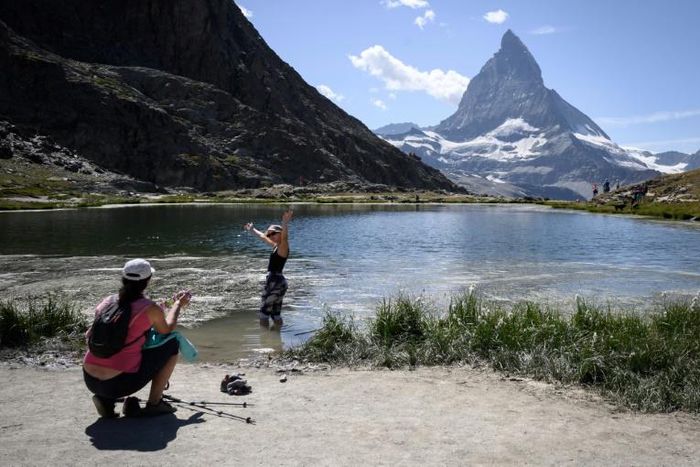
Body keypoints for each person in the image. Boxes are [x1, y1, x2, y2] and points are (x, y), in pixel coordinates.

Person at [83, 258, 191, 418]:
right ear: (147, 281)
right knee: (172, 343)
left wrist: (166, 304)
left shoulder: (108, 301)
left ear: (123, 278)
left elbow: (89, 333)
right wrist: (177, 305)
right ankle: (154, 403)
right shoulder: (149, 308)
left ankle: (106, 401)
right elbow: (166, 329)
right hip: (120, 383)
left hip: (90, 379)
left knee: (124, 351)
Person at [244, 210, 293, 329]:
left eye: (273, 234)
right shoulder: (276, 246)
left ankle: (265, 340)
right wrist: (252, 230)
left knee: (263, 314)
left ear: (280, 233)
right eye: (270, 234)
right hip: (277, 281)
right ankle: (277, 339)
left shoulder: (283, 246)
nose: (271, 236)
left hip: (275, 282)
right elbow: (263, 237)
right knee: (275, 314)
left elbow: (285, 237)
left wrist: (285, 223)